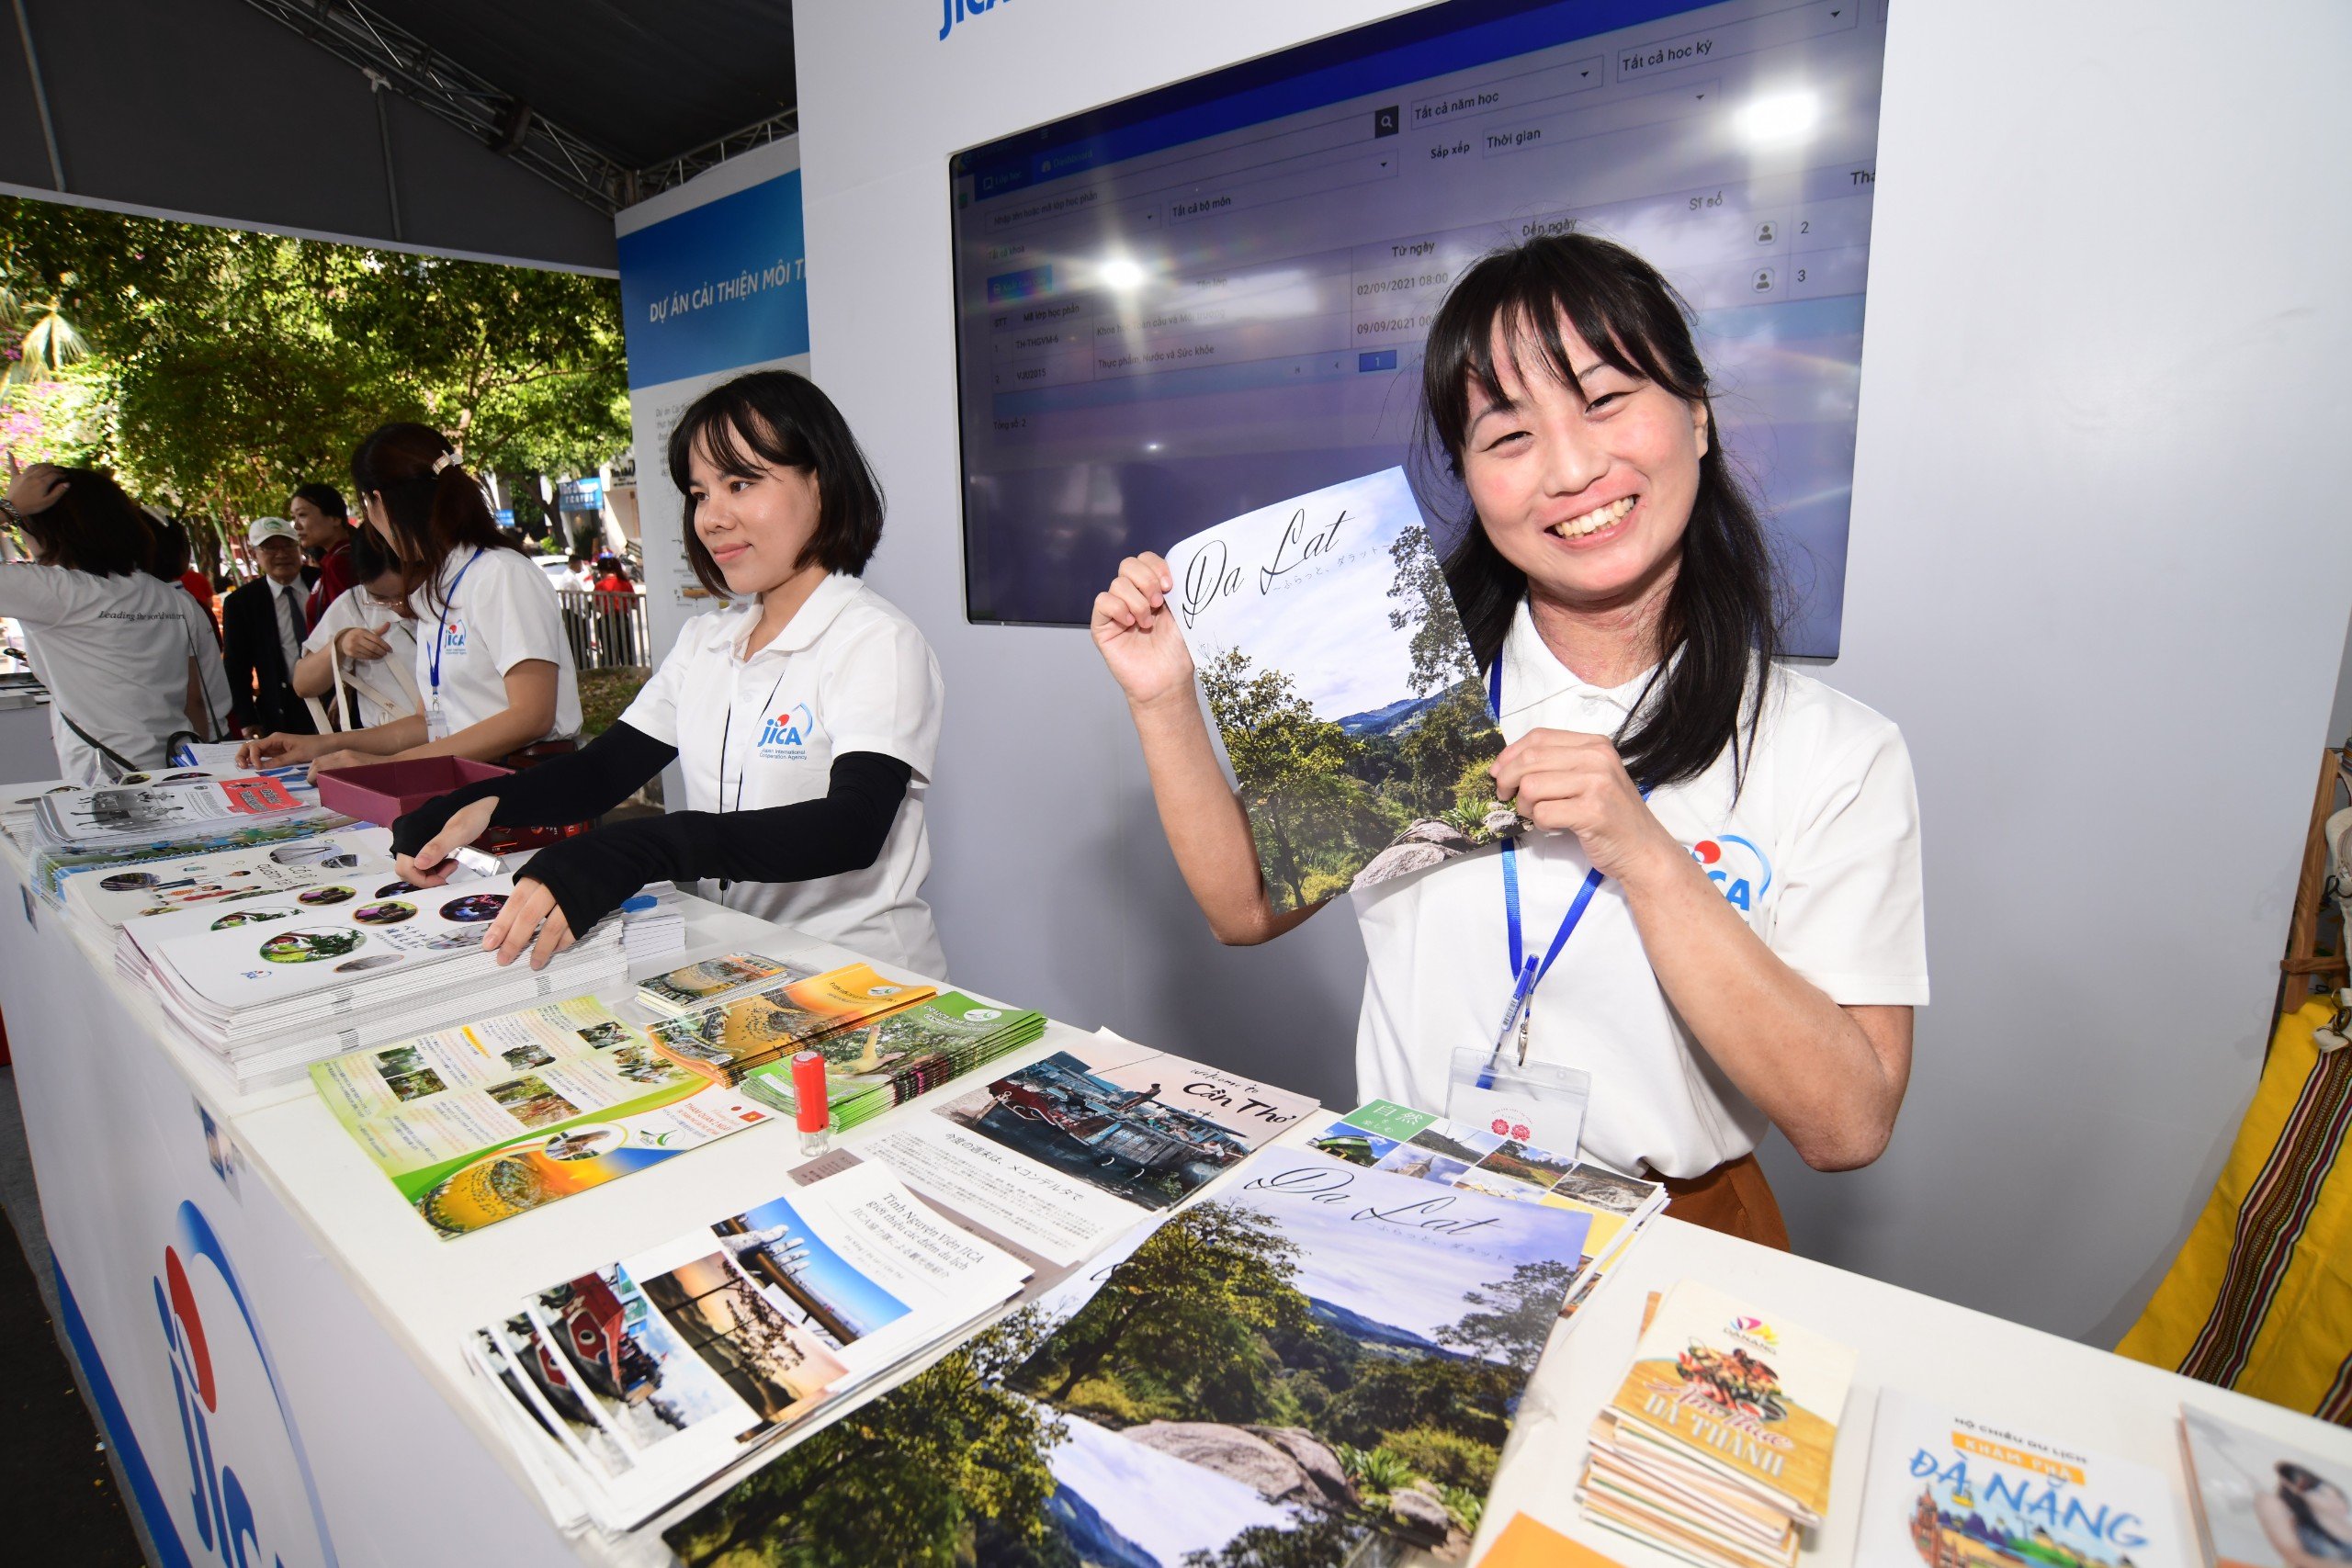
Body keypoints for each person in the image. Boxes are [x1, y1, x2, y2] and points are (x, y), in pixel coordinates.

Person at [1089, 232, 1927, 1246]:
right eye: (1508, 436)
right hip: (1410, 1200)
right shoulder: (1415, 695)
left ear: (1696, 417)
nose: (1571, 469)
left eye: (1606, 400)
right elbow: (1244, 907)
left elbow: (1848, 1124)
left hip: (1679, 1231)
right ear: (1470, 482)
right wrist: (1164, 697)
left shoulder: (1831, 749)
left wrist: (1648, 859)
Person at [390, 369, 945, 976]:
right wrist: (474, 803)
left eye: (740, 482)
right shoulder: (709, 640)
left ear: (822, 482)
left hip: (866, 979)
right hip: (742, 967)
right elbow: (603, 772)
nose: (711, 517)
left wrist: (648, 845)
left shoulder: (875, 641)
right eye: (700, 492)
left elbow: (853, 826)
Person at [239, 423, 580, 775]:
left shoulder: (500, 573)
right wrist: (321, 745)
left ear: (378, 502)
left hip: (525, 789)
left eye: (366, 504)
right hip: (473, 785)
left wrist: (386, 766)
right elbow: (426, 724)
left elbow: (532, 715)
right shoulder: (440, 584)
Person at [0, 464, 216, 780]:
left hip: (108, 780)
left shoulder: (57, 591)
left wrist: (10, 507)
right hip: (180, 762)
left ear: (49, 527)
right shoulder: (167, 595)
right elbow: (193, 700)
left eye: (24, 524)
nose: (20, 531)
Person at [293, 522, 419, 730]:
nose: (398, 607)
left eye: (407, 594)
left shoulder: (447, 593)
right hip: (387, 743)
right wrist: (340, 644)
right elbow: (303, 684)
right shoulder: (354, 604)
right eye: (380, 598)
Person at [221, 517, 320, 739]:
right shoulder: (241, 602)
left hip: (333, 699)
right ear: (255, 554)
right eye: (270, 548)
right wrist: (247, 718)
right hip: (282, 707)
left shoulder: (322, 583)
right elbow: (236, 665)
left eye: (287, 545)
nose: (281, 554)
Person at [141, 512, 232, 739]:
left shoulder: (169, 607)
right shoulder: (188, 603)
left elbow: (194, 697)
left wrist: (199, 759)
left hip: (201, 736)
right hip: (209, 730)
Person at [291, 482, 357, 631]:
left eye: (302, 515)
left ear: (335, 518)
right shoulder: (334, 560)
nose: (296, 525)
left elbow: (349, 627)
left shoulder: (340, 563)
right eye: (293, 517)